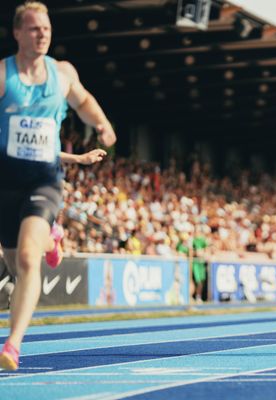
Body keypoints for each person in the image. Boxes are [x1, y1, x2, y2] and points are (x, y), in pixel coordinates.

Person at [0, 1, 116, 371]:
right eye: (34, 29)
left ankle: (13, 345)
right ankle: (53, 238)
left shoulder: (62, 73)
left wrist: (101, 124)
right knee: (16, 267)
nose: (42, 34)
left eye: (46, 28)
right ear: (18, 33)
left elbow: (83, 102)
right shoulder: (3, 75)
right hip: (5, 183)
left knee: (27, 259)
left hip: (44, 180)